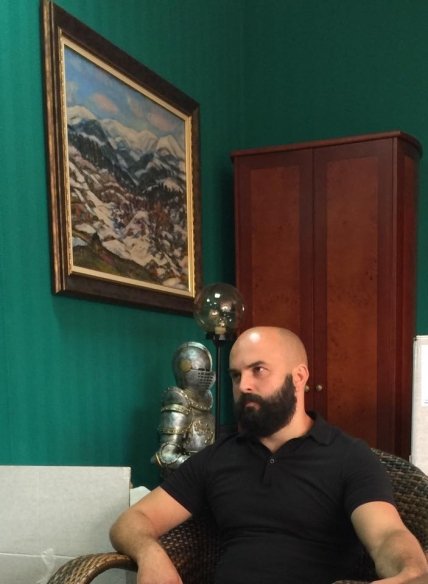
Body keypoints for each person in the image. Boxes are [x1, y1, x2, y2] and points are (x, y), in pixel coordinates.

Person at [110, 326, 428, 584]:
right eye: (236, 375)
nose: (244, 385)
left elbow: (387, 534)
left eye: (258, 370)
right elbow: (132, 521)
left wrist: (411, 570)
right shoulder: (217, 457)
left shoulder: (348, 457)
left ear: (299, 377)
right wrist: (150, 554)